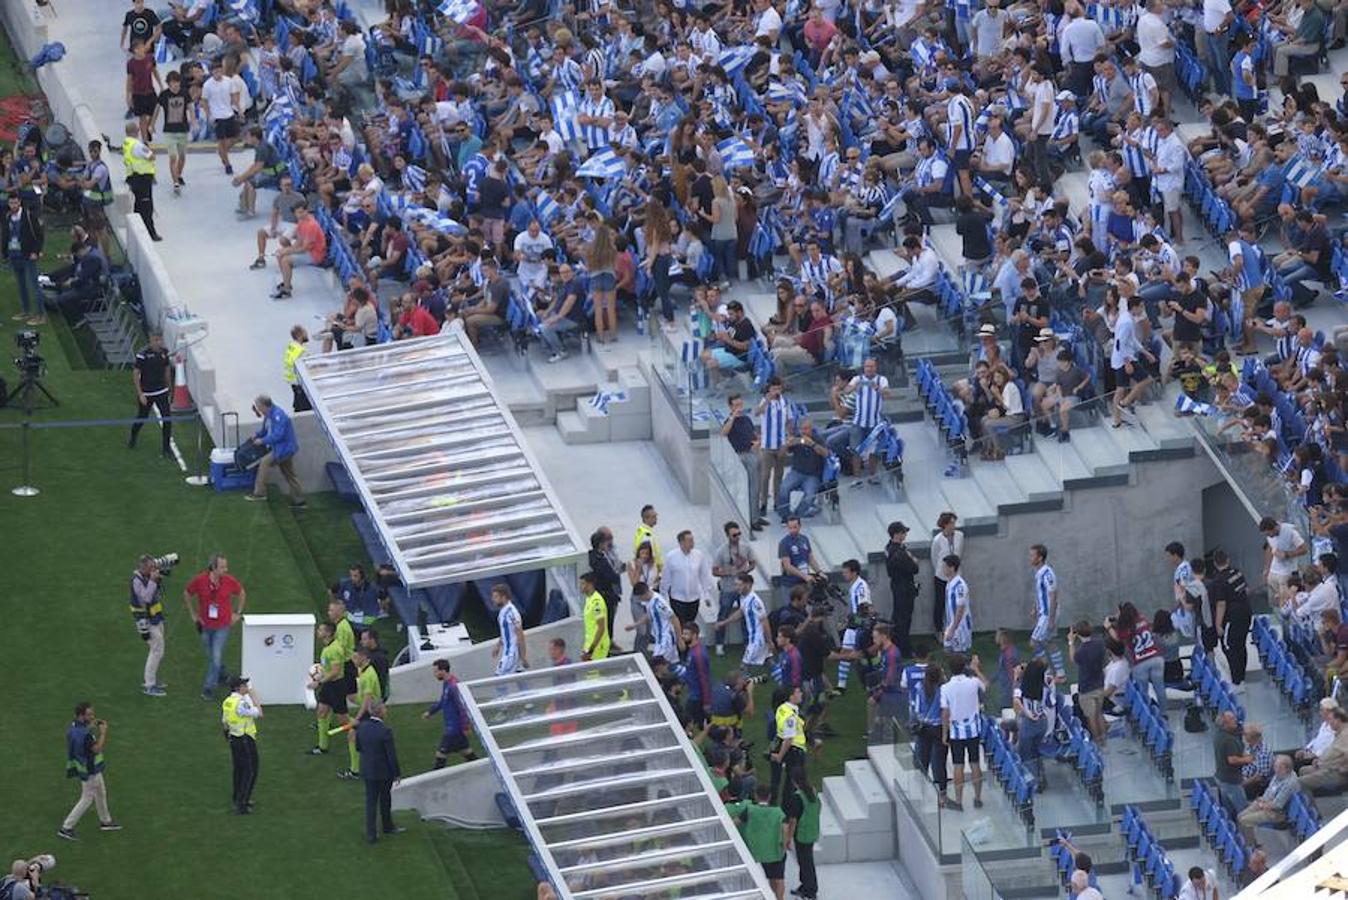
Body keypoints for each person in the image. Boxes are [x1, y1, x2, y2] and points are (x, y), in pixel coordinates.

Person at [183, 554, 246, 700]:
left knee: (215, 657)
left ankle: (208, 687)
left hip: (222, 626)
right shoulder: (200, 580)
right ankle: (223, 675)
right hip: (205, 625)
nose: (226, 569)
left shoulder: (229, 581)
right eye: (223, 567)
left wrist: (237, 613)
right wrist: (193, 614)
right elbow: (187, 593)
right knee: (212, 656)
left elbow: (242, 593)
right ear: (213, 567)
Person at [58, 702, 120, 840]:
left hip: (85, 766)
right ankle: (66, 827)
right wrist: (103, 733)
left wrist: (90, 726)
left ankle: (106, 821)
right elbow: (97, 748)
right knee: (87, 798)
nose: (92, 717)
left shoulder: (74, 727)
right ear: (81, 715)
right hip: (90, 768)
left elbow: (78, 736)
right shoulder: (86, 735)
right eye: (89, 715)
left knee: (101, 793)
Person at [942, 653, 988, 810]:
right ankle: (978, 798)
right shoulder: (973, 682)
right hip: (973, 730)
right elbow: (986, 684)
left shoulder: (945, 688)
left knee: (958, 765)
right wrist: (976, 670)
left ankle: (959, 801)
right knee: (975, 763)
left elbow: (945, 713)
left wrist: (944, 733)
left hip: (956, 733)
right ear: (964, 667)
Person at [727, 783, 788, 900]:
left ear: (755, 796)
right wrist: (784, 845)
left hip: (757, 851)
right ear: (769, 796)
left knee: (766, 878)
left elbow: (734, 823)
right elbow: (785, 828)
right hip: (775, 851)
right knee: (779, 878)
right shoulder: (778, 812)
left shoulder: (750, 810)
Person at [355, 702, 405, 844]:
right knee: (385, 799)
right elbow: (391, 755)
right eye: (385, 709)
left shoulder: (362, 727)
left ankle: (371, 834)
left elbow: (358, 747)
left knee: (371, 801)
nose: (386, 711)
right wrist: (397, 773)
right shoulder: (385, 730)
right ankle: (387, 826)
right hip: (383, 772)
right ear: (380, 712)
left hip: (368, 769)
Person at [245, 394, 305, 507]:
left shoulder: (279, 416)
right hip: (280, 449)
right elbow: (265, 430)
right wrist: (257, 435)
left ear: (263, 406)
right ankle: (299, 501)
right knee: (289, 474)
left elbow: (278, 435)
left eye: (258, 406)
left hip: (284, 449)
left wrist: (262, 441)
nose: (257, 409)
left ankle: (259, 493)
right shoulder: (268, 415)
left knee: (264, 462)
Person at [128, 330, 174, 458]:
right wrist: (140, 393)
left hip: (161, 391)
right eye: (156, 340)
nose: (159, 342)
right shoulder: (143, 354)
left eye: (160, 340)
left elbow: (166, 369)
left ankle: (166, 449)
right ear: (151, 340)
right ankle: (133, 437)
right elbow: (136, 373)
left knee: (167, 419)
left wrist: (169, 387)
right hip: (147, 392)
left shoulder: (164, 352)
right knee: (142, 417)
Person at [423, 659, 477, 768]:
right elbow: (443, 701)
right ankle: (484, 769)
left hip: (454, 729)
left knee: (440, 754)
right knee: (466, 752)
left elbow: (462, 707)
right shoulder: (447, 684)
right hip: (453, 727)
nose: (434, 674)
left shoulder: (453, 686)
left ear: (443, 671)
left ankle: (436, 779)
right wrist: (430, 712)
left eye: (435, 671)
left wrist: (465, 726)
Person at [221, 676, 262, 815]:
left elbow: (225, 722)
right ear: (238, 688)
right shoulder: (241, 703)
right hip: (245, 739)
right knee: (250, 771)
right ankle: (242, 804)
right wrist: (253, 695)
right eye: (244, 685)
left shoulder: (228, 701)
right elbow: (259, 713)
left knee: (238, 770)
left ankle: (237, 798)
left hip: (234, 738)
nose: (247, 687)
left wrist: (228, 734)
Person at [309, 622, 350, 760]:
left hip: (336, 686)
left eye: (320, 630)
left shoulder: (334, 649)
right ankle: (322, 747)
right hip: (328, 685)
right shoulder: (328, 648)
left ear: (328, 633)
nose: (317, 631)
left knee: (343, 720)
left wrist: (318, 682)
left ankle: (362, 732)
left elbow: (335, 672)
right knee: (321, 711)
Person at [129, 554, 167, 697]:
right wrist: (152, 581)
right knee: (156, 651)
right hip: (146, 621)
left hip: (156, 617)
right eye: (151, 567)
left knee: (159, 650)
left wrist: (157, 580)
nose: (153, 569)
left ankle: (152, 681)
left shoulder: (147, 576)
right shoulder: (136, 581)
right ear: (143, 567)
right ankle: (149, 685)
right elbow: (145, 597)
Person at [2, 191, 43, 325]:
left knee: (34, 285)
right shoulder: (8, 216)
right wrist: (5, 254)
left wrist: (36, 251)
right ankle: (26, 311)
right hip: (14, 255)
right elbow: (5, 235)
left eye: (15, 202)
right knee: (21, 285)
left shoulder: (28, 216)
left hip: (27, 255)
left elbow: (39, 234)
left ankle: (40, 315)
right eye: (11, 203)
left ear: (19, 202)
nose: (13, 205)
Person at [270, 205, 328, 300]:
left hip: (315, 255)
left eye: (302, 212)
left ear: (306, 211)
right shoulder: (301, 221)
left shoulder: (311, 225)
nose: (300, 214)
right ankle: (286, 282)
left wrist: (289, 251)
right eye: (298, 213)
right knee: (280, 255)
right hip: (307, 251)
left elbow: (305, 248)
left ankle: (287, 291)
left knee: (285, 260)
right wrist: (288, 250)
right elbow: (299, 241)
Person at [715, 574, 772, 670]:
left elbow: (764, 621)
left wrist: (769, 641)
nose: (736, 588)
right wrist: (723, 623)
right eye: (736, 585)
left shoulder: (754, 601)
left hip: (757, 640)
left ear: (748, 585)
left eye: (739, 585)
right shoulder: (744, 598)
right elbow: (740, 612)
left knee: (743, 667)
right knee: (769, 663)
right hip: (755, 639)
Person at [663, 530, 716, 628]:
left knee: (690, 624)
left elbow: (704, 576)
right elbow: (666, 578)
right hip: (677, 598)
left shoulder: (699, 555)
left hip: (694, 597)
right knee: (681, 624)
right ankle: (681, 642)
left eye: (693, 540)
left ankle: (688, 642)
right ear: (682, 542)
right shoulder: (671, 557)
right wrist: (664, 596)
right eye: (690, 540)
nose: (693, 543)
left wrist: (706, 594)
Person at [783, 769, 820, 900]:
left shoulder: (797, 797)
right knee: (806, 861)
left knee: (805, 862)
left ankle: (810, 890)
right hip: (812, 830)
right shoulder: (813, 791)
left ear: (794, 781)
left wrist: (788, 838)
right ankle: (805, 886)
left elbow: (793, 821)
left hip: (802, 834)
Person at [121, 122, 161, 242]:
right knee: (146, 207)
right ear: (135, 131)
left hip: (133, 178)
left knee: (138, 206)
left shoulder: (126, 143)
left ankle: (139, 232)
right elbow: (151, 156)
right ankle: (151, 233)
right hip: (142, 179)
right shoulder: (137, 145)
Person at [1029, 544, 1064, 675]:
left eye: (1032, 555)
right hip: (1044, 613)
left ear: (1040, 558)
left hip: (1048, 614)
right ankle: (1060, 673)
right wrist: (1035, 607)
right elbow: (1040, 593)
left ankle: (1046, 671)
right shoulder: (1039, 573)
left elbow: (1053, 594)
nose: (1030, 558)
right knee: (1049, 642)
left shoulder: (1047, 573)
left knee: (1034, 642)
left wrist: (1051, 619)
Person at [771, 684, 809, 805]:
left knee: (786, 781)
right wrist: (780, 757)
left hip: (789, 749)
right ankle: (789, 809)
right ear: (791, 696)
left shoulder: (781, 709)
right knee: (792, 783)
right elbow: (789, 738)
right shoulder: (790, 717)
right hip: (795, 751)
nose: (801, 694)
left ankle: (780, 804)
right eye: (798, 692)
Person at [1071, 621, 1108, 742]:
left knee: (1091, 717)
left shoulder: (1081, 651)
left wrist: (1071, 642)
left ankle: (1098, 741)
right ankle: (1104, 738)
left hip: (1086, 688)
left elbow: (1073, 659)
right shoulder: (1100, 644)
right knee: (1099, 714)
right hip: (1099, 684)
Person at [931, 512, 964, 633]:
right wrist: (943, 570)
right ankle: (939, 629)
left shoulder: (960, 536)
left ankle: (956, 627)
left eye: (954, 522)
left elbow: (960, 553)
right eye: (951, 523)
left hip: (956, 575)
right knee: (940, 603)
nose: (953, 525)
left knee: (956, 602)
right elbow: (935, 558)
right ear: (945, 525)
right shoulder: (937, 540)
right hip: (941, 576)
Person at [1213, 710, 1248, 813]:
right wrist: (1247, 759)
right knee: (1243, 810)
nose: (1235, 720)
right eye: (1232, 719)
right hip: (1230, 781)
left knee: (1228, 809)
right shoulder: (1229, 740)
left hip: (1222, 777)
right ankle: (1243, 828)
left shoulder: (1219, 734)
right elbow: (1232, 760)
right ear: (1225, 724)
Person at [491, 584, 527, 675]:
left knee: (498, 679)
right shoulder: (502, 612)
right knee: (517, 679)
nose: (493, 599)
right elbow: (505, 631)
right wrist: (498, 645)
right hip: (507, 652)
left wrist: (523, 657)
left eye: (496, 597)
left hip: (511, 654)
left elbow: (520, 635)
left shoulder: (512, 612)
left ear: (504, 597)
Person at [942, 554, 973, 653]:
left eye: (945, 566)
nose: (943, 569)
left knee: (960, 656)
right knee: (949, 652)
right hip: (952, 624)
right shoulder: (949, 583)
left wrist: (953, 628)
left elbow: (960, 609)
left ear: (952, 568)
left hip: (960, 627)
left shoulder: (960, 586)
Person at [579, 571, 610, 661]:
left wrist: (591, 650)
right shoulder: (589, 599)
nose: (580, 587)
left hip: (598, 645)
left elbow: (601, 628)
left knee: (593, 673)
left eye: (582, 584)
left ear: (590, 584)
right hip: (590, 642)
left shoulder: (597, 602)